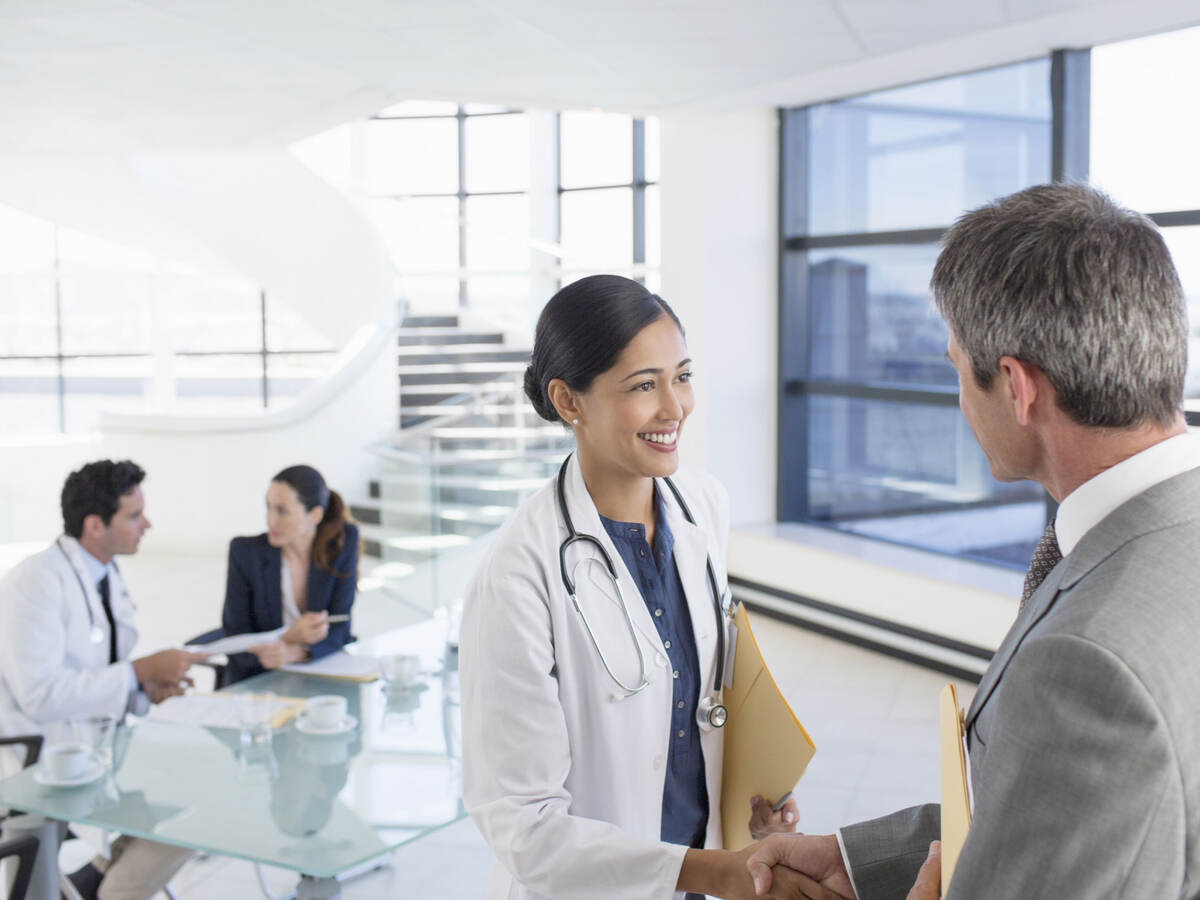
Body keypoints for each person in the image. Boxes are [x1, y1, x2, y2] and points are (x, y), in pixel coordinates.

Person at [746, 183, 1200, 899]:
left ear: (1017, 387)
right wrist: (860, 862)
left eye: (958, 367)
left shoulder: (1085, 665)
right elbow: (1080, 816)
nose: (959, 396)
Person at [460, 275, 810, 900]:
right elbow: (523, 826)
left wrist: (751, 805)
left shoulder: (703, 504)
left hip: (700, 874)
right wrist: (710, 873)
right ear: (569, 401)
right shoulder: (517, 575)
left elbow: (695, 704)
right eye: (644, 386)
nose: (674, 407)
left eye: (682, 376)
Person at [0, 459, 208, 900]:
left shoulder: (104, 573)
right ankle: (111, 890)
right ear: (95, 525)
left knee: (201, 793)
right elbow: (39, 695)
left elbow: (97, 671)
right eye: (134, 515)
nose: (146, 524)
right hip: (36, 764)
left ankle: (99, 877)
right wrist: (136, 673)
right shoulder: (36, 582)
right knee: (192, 806)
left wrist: (142, 690)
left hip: (94, 747)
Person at [219, 464, 359, 684]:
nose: (270, 520)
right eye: (268, 507)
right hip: (259, 682)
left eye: (282, 511)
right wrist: (285, 638)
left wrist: (297, 652)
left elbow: (341, 627)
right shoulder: (246, 554)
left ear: (314, 515)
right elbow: (235, 640)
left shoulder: (342, 543)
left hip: (319, 674)